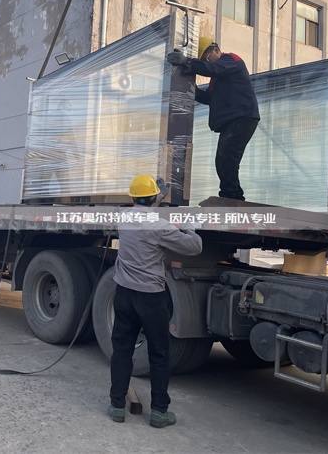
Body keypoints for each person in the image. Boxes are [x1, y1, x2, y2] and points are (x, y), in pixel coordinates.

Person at [108, 174, 202, 429]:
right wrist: (189, 226)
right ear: (154, 198)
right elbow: (194, 247)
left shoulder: (123, 218)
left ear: (132, 197)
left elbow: (141, 211)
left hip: (124, 294)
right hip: (151, 297)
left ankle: (117, 406)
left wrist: (155, 198)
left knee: (122, 350)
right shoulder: (160, 226)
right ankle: (159, 412)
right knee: (159, 354)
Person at [167, 38, 260, 201]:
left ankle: (231, 196)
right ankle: (232, 195)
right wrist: (191, 89)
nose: (206, 63)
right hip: (234, 119)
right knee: (223, 159)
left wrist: (187, 62)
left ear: (216, 50)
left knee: (227, 156)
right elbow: (210, 98)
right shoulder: (218, 78)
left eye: (207, 59)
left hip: (242, 117)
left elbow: (214, 68)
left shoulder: (232, 59)